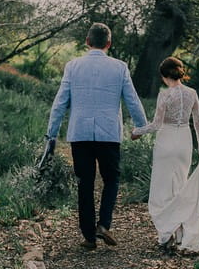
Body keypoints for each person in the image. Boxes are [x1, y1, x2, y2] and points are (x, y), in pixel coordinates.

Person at [45, 23, 147, 250]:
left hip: (80, 134)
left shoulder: (73, 66)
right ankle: (104, 224)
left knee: (85, 183)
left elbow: (59, 103)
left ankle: (89, 237)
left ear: (87, 42)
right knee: (111, 179)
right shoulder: (120, 67)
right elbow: (133, 100)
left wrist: (51, 134)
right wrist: (140, 127)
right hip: (109, 134)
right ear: (108, 44)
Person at [131, 57, 199, 253]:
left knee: (161, 191)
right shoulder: (192, 93)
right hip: (184, 143)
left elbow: (156, 125)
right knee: (179, 187)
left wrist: (136, 131)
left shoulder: (165, 95)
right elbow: (198, 123)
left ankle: (167, 234)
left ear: (163, 76)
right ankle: (179, 234)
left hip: (166, 142)